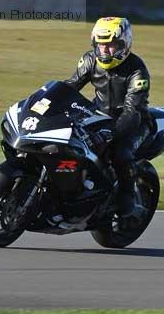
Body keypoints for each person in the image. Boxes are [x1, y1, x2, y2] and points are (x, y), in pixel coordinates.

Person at [64, 16, 152, 221]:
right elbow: (70, 85)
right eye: (101, 44)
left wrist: (111, 133)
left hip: (135, 122)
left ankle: (127, 196)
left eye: (110, 45)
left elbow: (132, 112)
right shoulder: (89, 61)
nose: (104, 50)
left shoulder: (138, 72)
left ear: (124, 44)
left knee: (120, 152)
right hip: (100, 115)